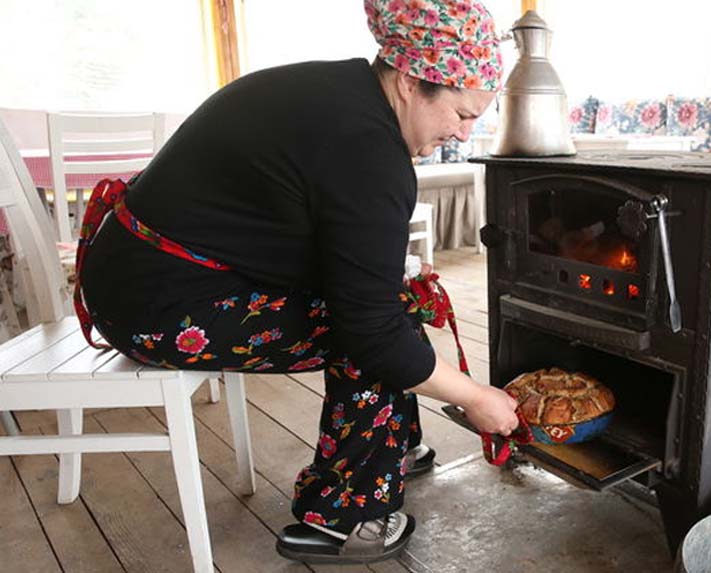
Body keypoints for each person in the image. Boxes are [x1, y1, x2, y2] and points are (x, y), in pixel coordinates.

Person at [76, 0, 519, 564]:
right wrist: (476, 397)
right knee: (368, 337)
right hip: (154, 302)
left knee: (385, 308)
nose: (462, 133)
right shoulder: (369, 152)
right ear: (410, 81)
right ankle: (340, 521)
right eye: (461, 114)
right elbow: (371, 333)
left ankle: (390, 449)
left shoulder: (341, 89)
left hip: (138, 269)